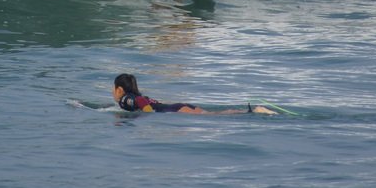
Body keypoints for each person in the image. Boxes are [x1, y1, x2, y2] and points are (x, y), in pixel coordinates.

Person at [113, 73, 277, 115]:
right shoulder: (131, 98)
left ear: (120, 89)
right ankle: (251, 111)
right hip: (178, 107)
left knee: (214, 115)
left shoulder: (127, 98)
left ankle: (254, 111)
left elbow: (142, 103)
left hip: (176, 110)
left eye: (113, 88)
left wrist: (149, 115)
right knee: (213, 114)